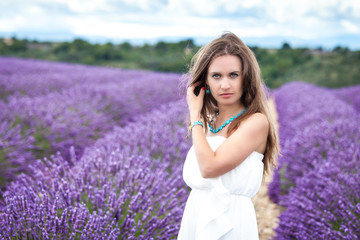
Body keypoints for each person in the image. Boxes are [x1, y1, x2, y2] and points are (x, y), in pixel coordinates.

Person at [178, 32, 279, 240]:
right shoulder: (206, 122)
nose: (225, 85)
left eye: (233, 75)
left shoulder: (255, 122)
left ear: (246, 78)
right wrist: (200, 119)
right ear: (204, 81)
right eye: (216, 76)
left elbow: (209, 168)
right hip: (196, 212)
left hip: (232, 221)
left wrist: (195, 115)